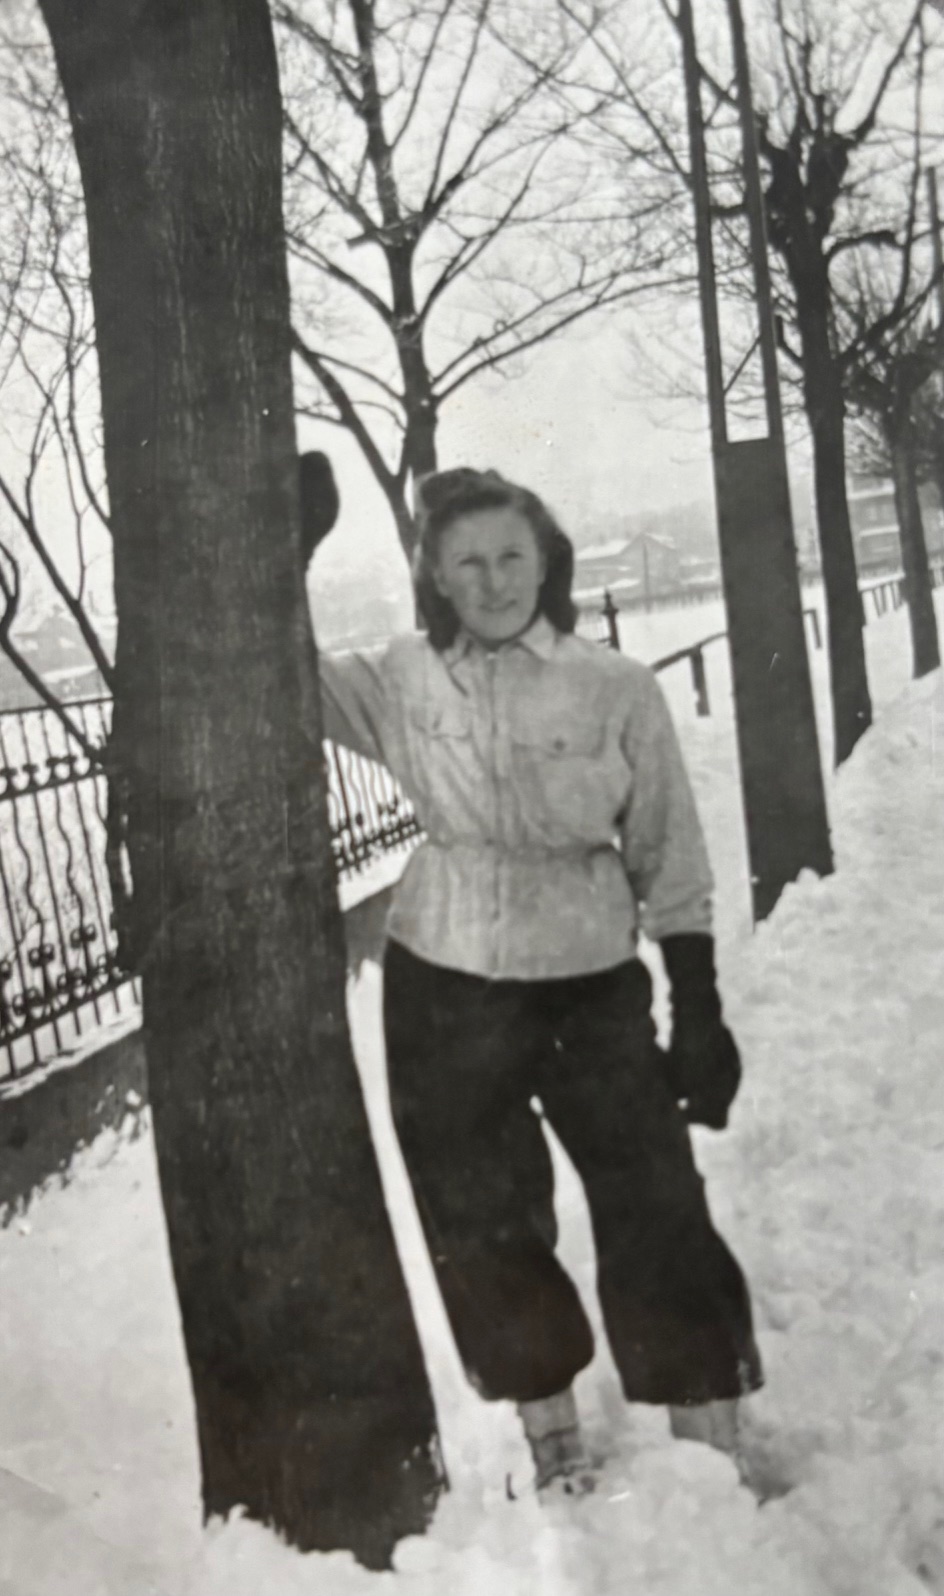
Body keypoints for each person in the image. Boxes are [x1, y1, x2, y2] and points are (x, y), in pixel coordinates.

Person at [315, 465, 762, 1494]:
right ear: (433, 575)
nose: (493, 580)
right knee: (479, 1213)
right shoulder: (398, 677)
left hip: (586, 978)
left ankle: (709, 1428)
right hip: (444, 981)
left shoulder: (616, 688)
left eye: (511, 555)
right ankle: (550, 1433)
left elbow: (670, 858)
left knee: (653, 1194)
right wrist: (288, 551)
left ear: (547, 559)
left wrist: (697, 1009)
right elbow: (283, 681)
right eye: (465, 561)